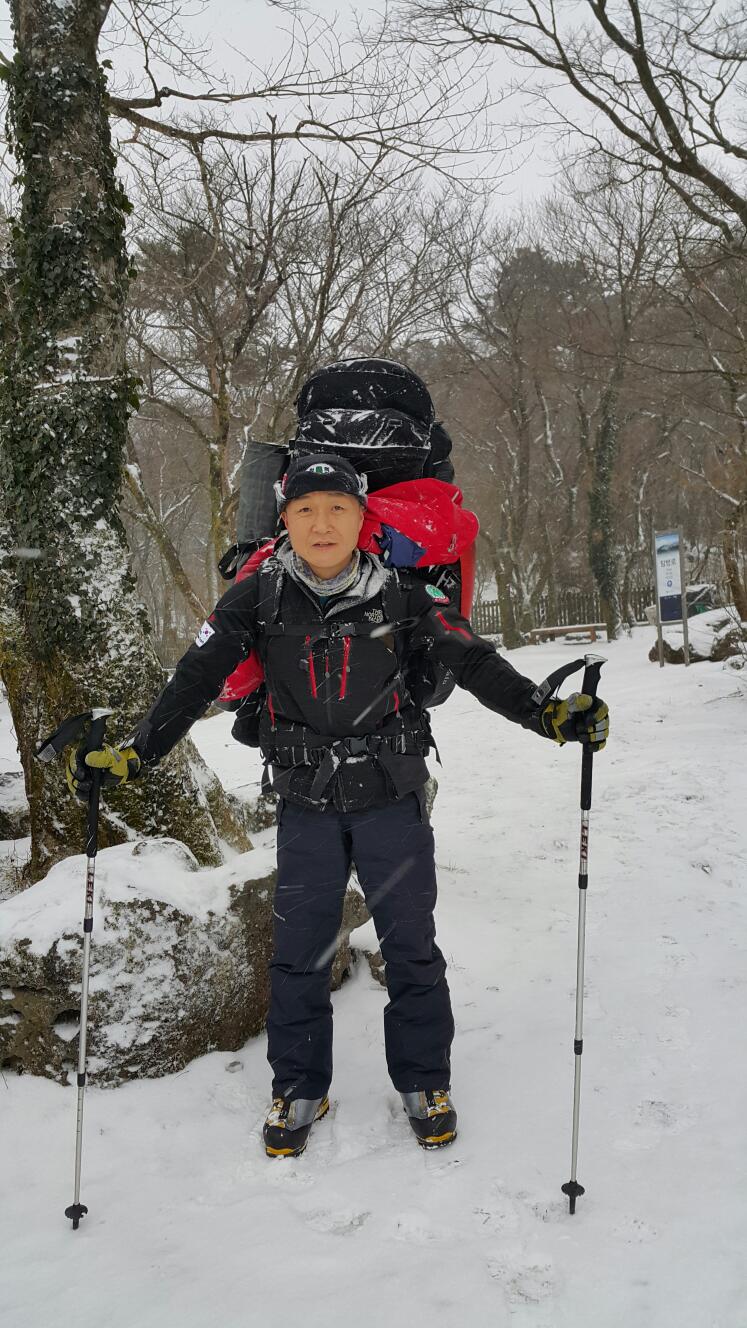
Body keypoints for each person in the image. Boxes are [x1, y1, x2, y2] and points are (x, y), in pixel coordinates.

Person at [66, 451, 609, 1158]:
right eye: (305, 510)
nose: (321, 524)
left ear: (361, 518)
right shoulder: (256, 597)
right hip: (307, 806)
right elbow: (196, 676)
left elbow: (472, 660)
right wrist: (136, 753)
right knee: (299, 955)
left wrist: (545, 713)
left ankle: (424, 1081)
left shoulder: (405, 596)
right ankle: (298, 1087)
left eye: (337, 509)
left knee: (411, 950)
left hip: (391, 801)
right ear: (285, 519)